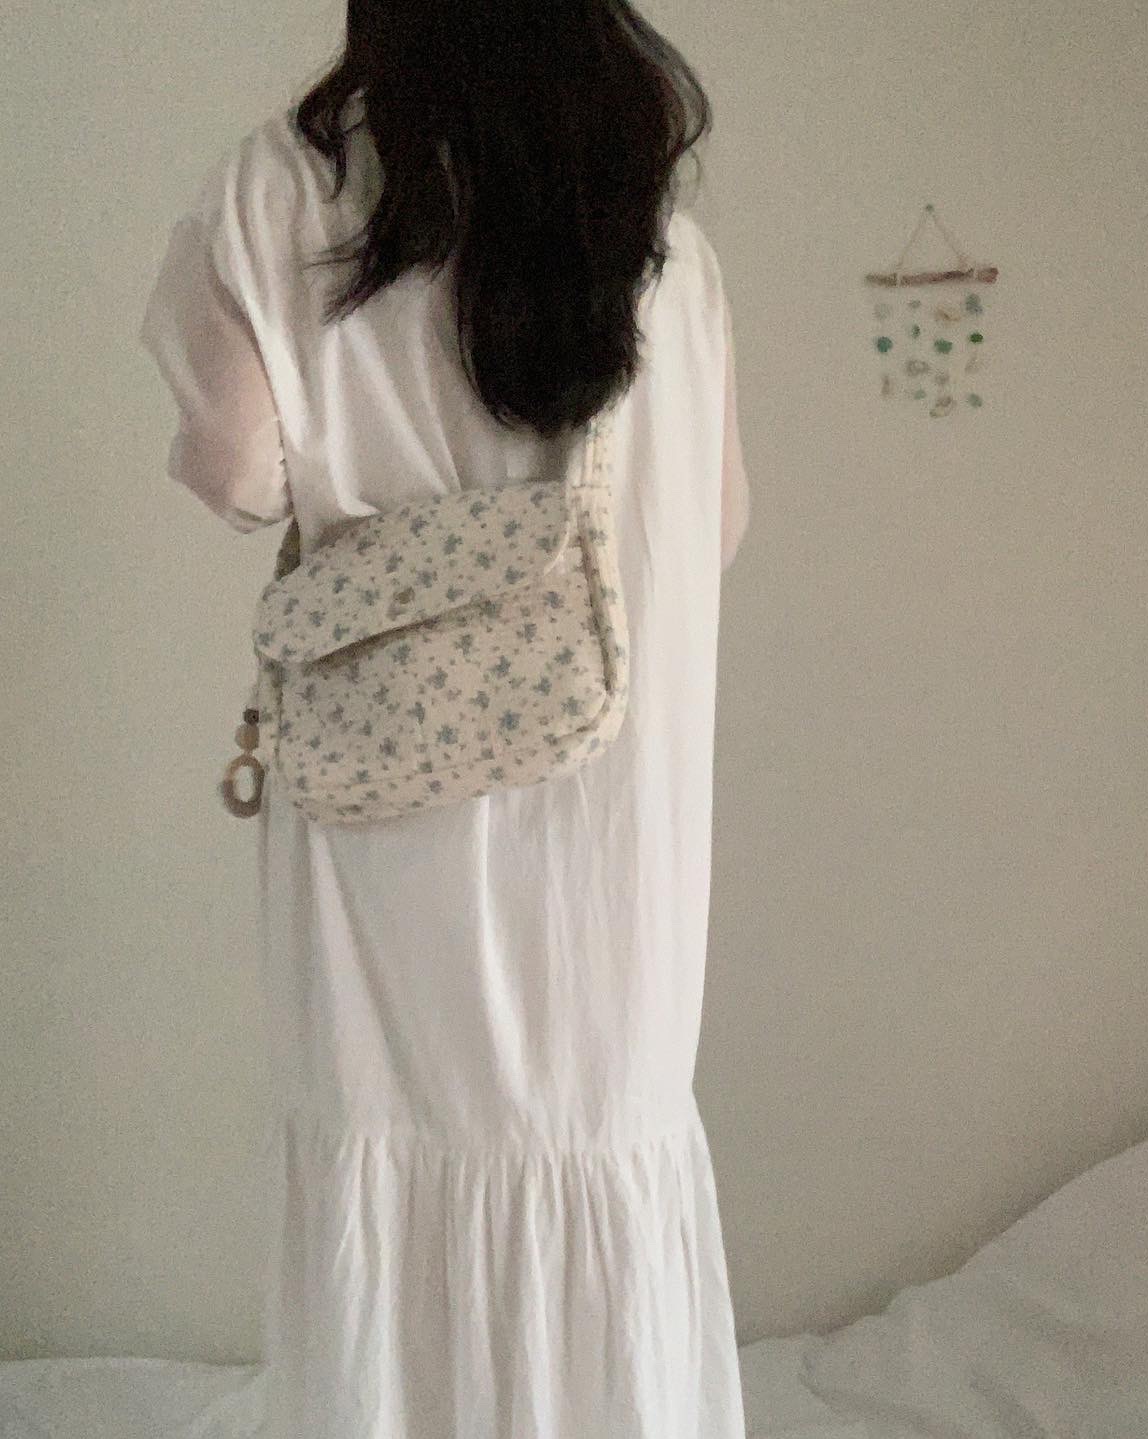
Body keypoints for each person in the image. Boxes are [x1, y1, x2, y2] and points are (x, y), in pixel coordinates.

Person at [137, 2, 751, 1434]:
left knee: (386, 1143)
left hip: (383, 811)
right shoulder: (655, 232)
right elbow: (715, 523)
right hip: (612, 840)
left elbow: (234, 469)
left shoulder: (289, 188)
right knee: (603, 1148)